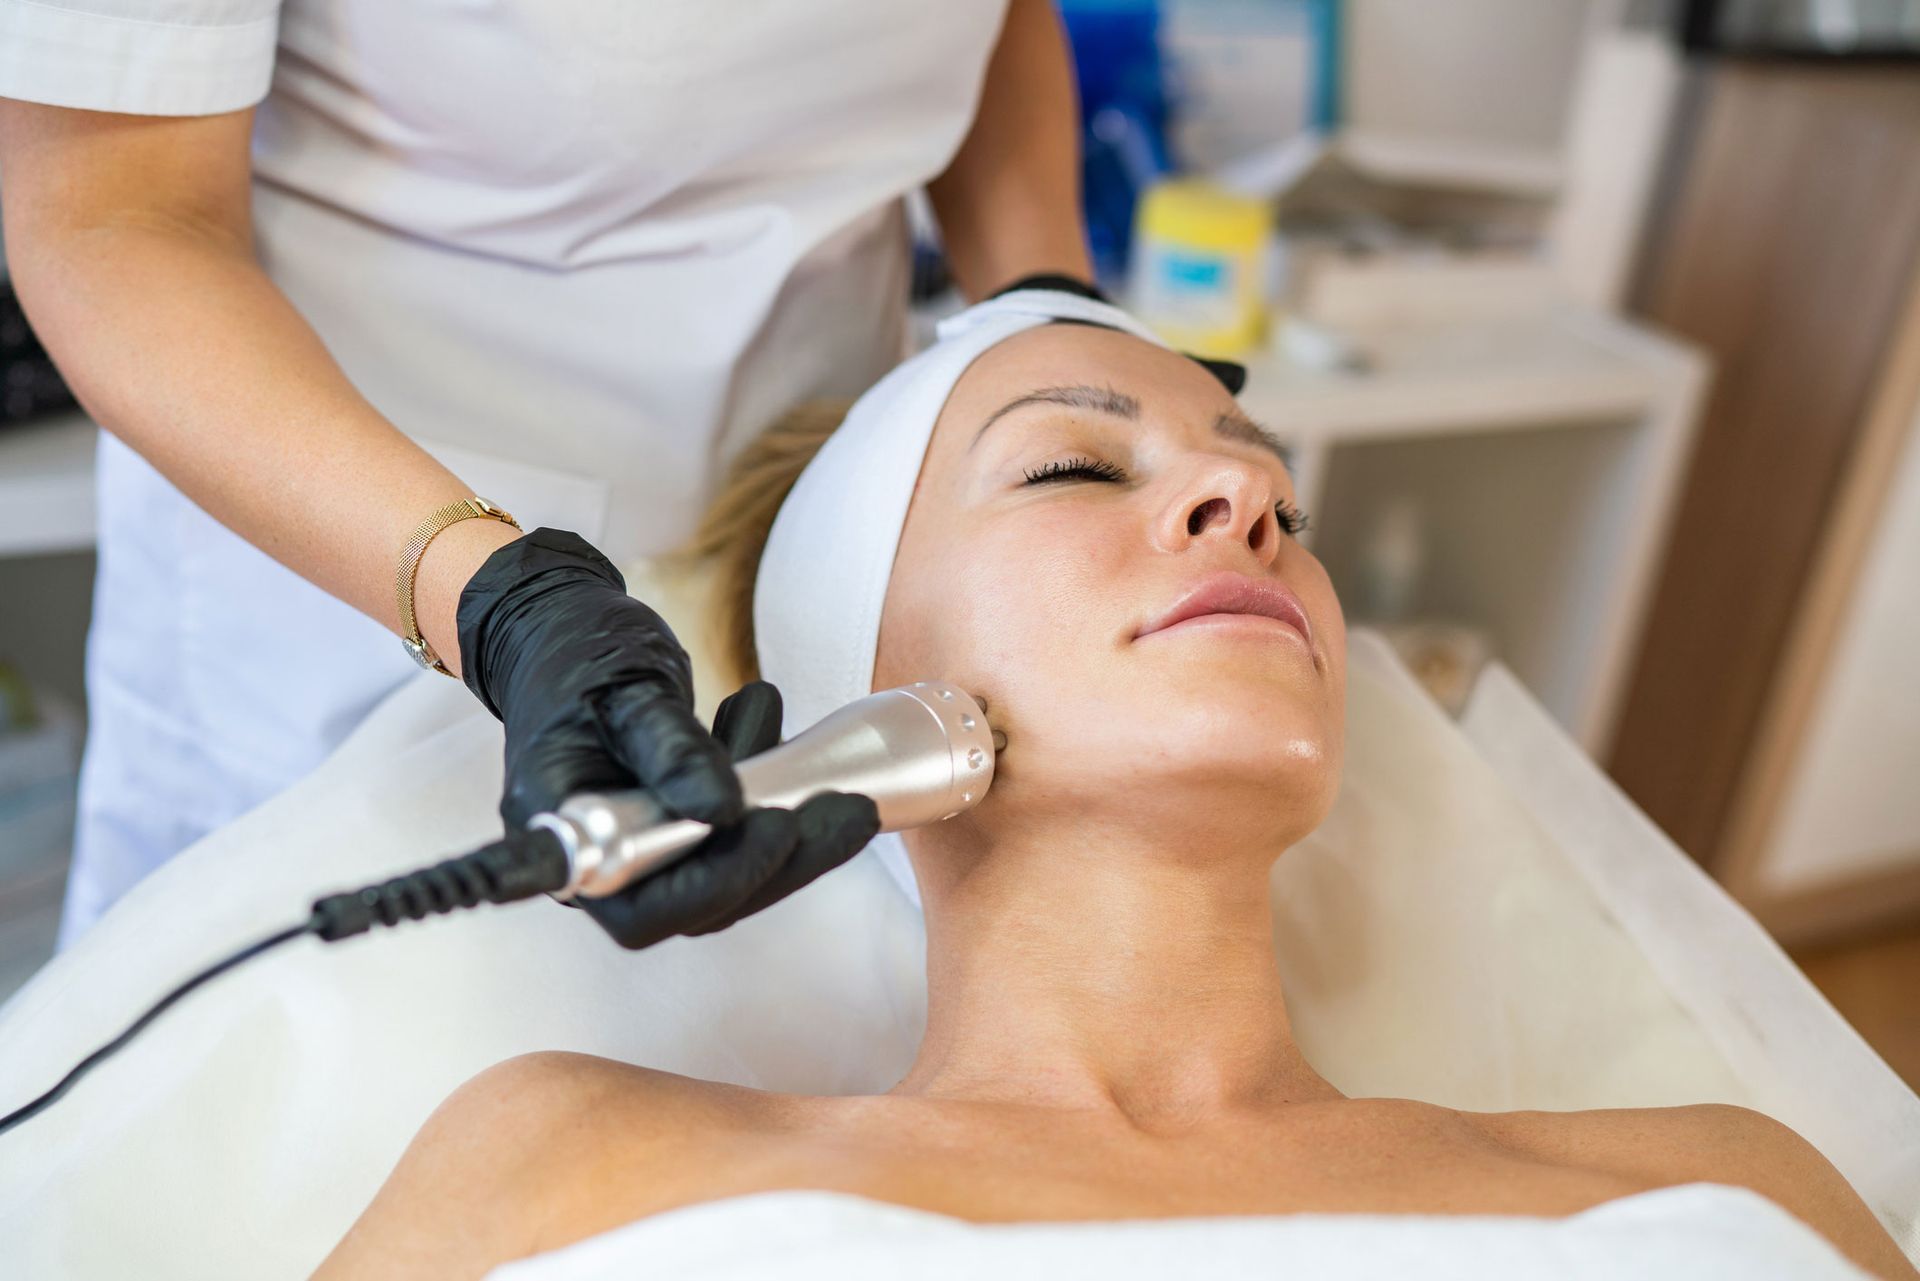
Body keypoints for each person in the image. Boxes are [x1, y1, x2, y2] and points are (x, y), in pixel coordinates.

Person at [312, 296, 1917, 1281]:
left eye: (1276, 490)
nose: (1249, 492)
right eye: (1076, 466)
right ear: (867, 682)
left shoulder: (1728, 1175)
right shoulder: (563, 1154)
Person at [0, 0, 1092, 950]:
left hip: (821, 537)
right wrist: (500, 605)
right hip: (358, 550)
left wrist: (1058, 320)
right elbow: (115, 219)